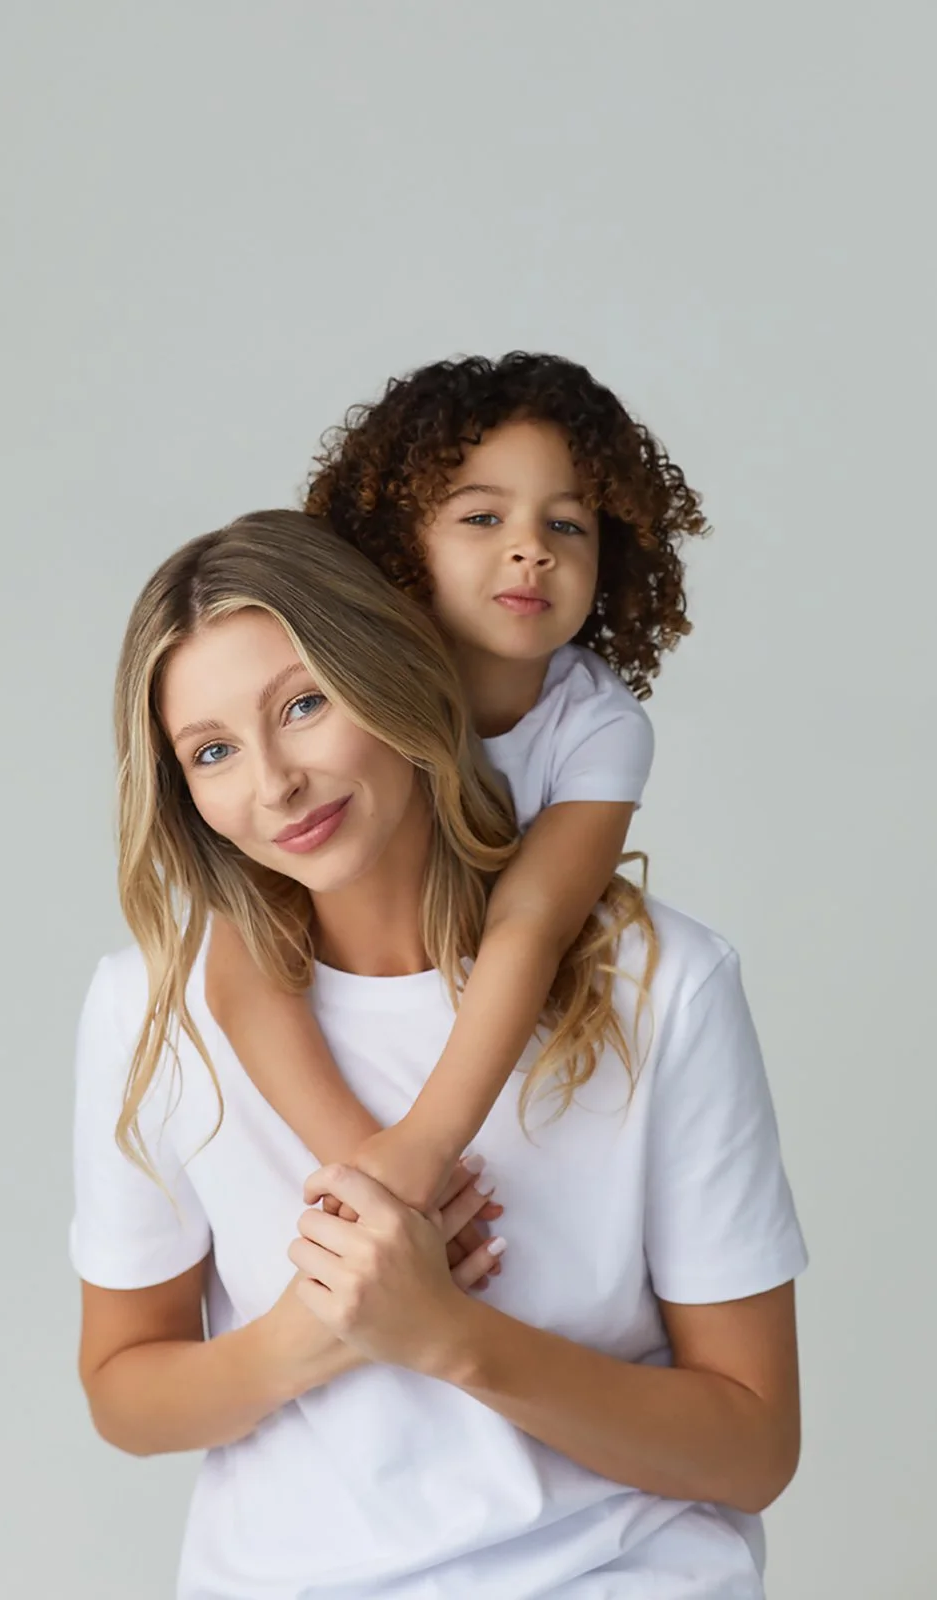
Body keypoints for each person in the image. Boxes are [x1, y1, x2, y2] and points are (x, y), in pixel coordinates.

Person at [70, 510, 808, 1598]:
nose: (272, 782)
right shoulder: (150, 1005)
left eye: (305, 704)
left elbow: (752, 1448)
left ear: (395, 675)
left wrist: (446, 1334)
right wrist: (313, 1335)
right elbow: (122, 1391)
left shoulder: (660, 986)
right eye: (214, 751)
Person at [202, 352, 708, 1224]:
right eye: (482, 515)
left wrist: (429, 1143)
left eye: (569, 525)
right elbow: (244, 953)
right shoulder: (349, 694)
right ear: (400, 547)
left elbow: (530, 920)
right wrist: (379, 1173)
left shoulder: (600, 726)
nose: (531, 549)